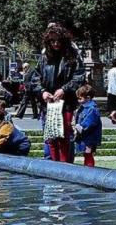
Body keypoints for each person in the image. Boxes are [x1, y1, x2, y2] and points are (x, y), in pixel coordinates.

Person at [30, 22, 86, 163]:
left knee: (64, 134)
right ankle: (53, 165)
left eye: (58, 41)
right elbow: (35, 79)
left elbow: (79, 76)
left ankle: (65, 164)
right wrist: (42, 92)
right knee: (51, 136)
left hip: (66, 103)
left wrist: (64, 89)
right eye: (52, 41)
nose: (55, 44)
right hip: (49, 103)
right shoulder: (44, 58)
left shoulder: (72, 57)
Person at [73, 84, 103, 167]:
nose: (78, 100)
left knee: (88, 152)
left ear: (88, 98)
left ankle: (89, 169)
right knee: (86, 152)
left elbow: (89, 122)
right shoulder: (83, 108)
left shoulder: (92, 109)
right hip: (85, 136)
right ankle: (87, 167)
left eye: (80, 98)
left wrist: (80, 127)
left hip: (90, 136)